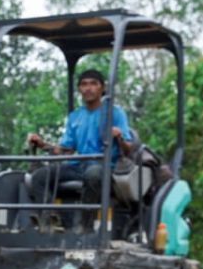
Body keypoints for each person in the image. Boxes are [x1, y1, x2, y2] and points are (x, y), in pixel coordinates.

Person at [23, 69, 133, 229]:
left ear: (102, 88)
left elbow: (128, 148)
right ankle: (49, 220)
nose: (88, 88)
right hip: (78, 165)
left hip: (103, 167)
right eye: (84, 84)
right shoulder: (75, 116)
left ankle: (85, 226)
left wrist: (119, 136)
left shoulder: (114, 112)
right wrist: (42, 144)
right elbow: (65, 150)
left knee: (93, 173)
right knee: (40, 176)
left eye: (93, 84)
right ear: (79, 89)